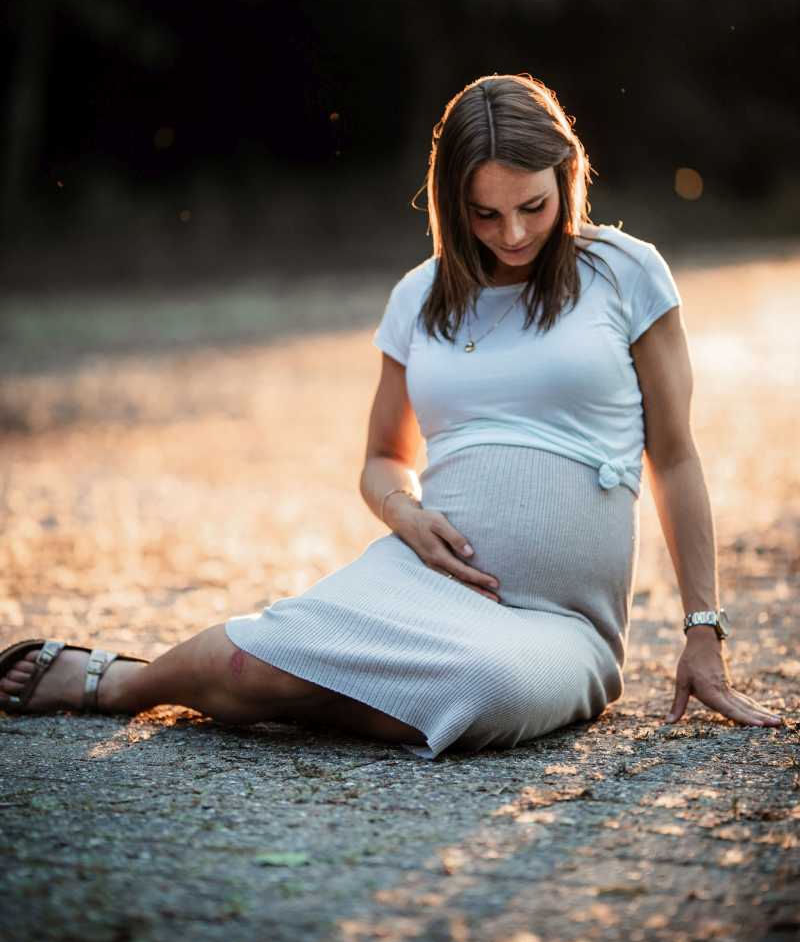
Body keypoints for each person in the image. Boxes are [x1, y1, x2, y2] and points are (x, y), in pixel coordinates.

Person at [0, 72, 782, 756]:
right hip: (417, 584)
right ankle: (115, 682)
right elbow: (382, 457)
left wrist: (702, 629)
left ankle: (289, 695)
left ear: (567, 176)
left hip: (560, 627)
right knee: (241, 663)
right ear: (452, 201)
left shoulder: (624, 272)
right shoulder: (420, 295)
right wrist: (405, 516)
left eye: (533, 207)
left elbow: (675, 456)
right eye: (484, 214)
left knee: (489, 689)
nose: (512, 235)